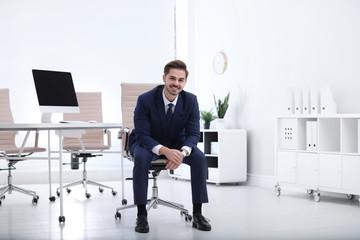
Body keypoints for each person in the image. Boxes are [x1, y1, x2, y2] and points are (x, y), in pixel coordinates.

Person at [129, 60, 211, 233]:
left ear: (185, 82)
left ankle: (198, 213)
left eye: (181, 80)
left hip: (177, 144)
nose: (176, 83)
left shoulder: (191, 101)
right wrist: (165, 151)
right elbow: (143, 134)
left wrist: (181, 153)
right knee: (142, 159)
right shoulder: (145, 99)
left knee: (199, 158)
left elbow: (193, 134)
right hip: (147, 142)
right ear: (164, 78)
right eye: (172, 78)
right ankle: (141, 214)